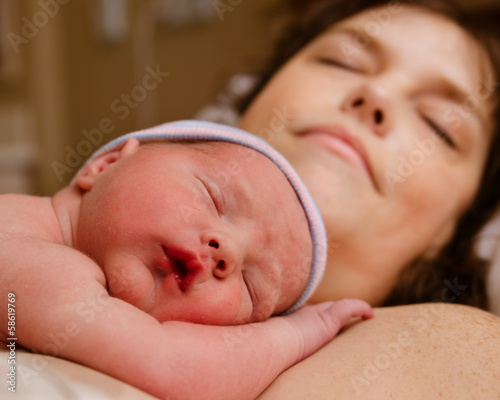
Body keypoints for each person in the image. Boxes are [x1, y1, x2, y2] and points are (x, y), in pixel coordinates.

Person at [229, 0, 500, 397]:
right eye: (342, 62)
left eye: (439, 125)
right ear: (249, 105)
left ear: (451, 233)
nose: (375, 94)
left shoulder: (471, 359)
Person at [0, 120, 374, 399]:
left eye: (250, 287)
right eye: (214, 198)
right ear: (105, 165)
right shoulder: (29, 253)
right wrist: (298, 332)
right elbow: (174, 367)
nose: (228, 249)